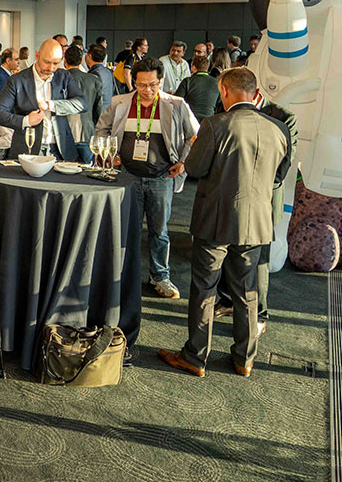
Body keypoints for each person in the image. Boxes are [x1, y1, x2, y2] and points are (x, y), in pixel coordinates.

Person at [158, 68, 289, 378]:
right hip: (257, 220)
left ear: (225, 91)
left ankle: (195, 356)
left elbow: (195, 167)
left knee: (205, 287)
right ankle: (244, 359)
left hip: (215, 219)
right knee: (247, 290)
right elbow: (279, 176)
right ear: (255, 93)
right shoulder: (279, 128)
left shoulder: (215, 125)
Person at [95, 57, 199, 300]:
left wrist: (184, 162)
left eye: (153, 84)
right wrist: (108, 152)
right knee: (125, 229)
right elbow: (101, 129)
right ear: (134, 82)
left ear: (160, 81)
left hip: (161, 177)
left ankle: (160, 276)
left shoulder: (176, 104)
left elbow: (194, 135)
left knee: (159, 231)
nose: (147, 90)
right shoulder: (120, 102)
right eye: (141, 85)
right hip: (127, 176)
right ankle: (122, 276)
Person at [214, 91, 296, 333]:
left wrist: (246, 180)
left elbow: (282, 168)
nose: (227, 99)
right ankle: (227, 300)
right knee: (227, 249)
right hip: (229, 195)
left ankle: (259, 313)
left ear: (255, 92)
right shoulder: (225, 107)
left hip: (263, 199)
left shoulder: (283, 117)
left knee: (258, 260)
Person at [0, 38, 88, 160]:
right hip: (27, 148)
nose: (51, 68)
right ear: (37, 55)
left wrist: (51, 105)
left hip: (60, 149)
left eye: (56, 63)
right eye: (47, 62)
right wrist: (26, 121)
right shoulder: (17, 80)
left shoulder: (64, 76)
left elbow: (82, 104)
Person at [64, 45, 102, 163]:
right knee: (88, 169)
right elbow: (98, 109)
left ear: (65, 61)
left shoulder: (59, 79)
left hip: (64, 133)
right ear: (81, 61)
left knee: (64, 169)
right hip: (87, 131)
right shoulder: (94, 80)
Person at [174, 57, 220, 122]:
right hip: (209, 120)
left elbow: (177, 100)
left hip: (189, 120)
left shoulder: (187, 81)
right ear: (207, 67)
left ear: (193, 67)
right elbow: (219, 103)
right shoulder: (217, 83)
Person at [85, 44, 115, 117]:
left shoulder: (93, 74)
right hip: (108, 112)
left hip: (97, 114)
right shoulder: (108, 72)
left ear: (90, 56)